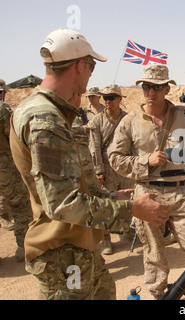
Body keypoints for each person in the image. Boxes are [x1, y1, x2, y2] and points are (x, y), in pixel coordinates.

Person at [9, 28, 170, 300]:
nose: (92, 73)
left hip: (80, 247)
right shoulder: (45, 120)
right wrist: (130, 209)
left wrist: (109, 196)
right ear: (80, 65)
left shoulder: (55, 113)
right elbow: (63, 204)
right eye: (92, 66)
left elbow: (70, 184)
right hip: (62, 254)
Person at [108, 64, 185, 300]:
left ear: (167, 88)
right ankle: (158, 295)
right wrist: (146, 161)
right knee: (154, 252)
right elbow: (115, 159)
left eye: (157, 87)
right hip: (147, 194)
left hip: (181, 192)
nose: (151, 93)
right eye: (146, 87)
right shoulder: (130, 121)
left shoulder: (183, 115)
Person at [88, 84, 135, 255]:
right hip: (107, 169)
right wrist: (99, 170)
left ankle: (127, 231)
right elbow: (94, 147)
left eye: (112, 98)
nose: (108, 101)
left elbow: (134, 144)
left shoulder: (129, 119)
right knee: (106, 204)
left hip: (124, 168)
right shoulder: (96, 121)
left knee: (128, 200)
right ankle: (105, 239)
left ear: (120, 99)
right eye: (105, 98)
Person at [0, 79, 33, 261]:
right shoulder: (3, 109)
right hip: (5, 167)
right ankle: (23, 247)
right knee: (20, 205)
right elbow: (12, 137)